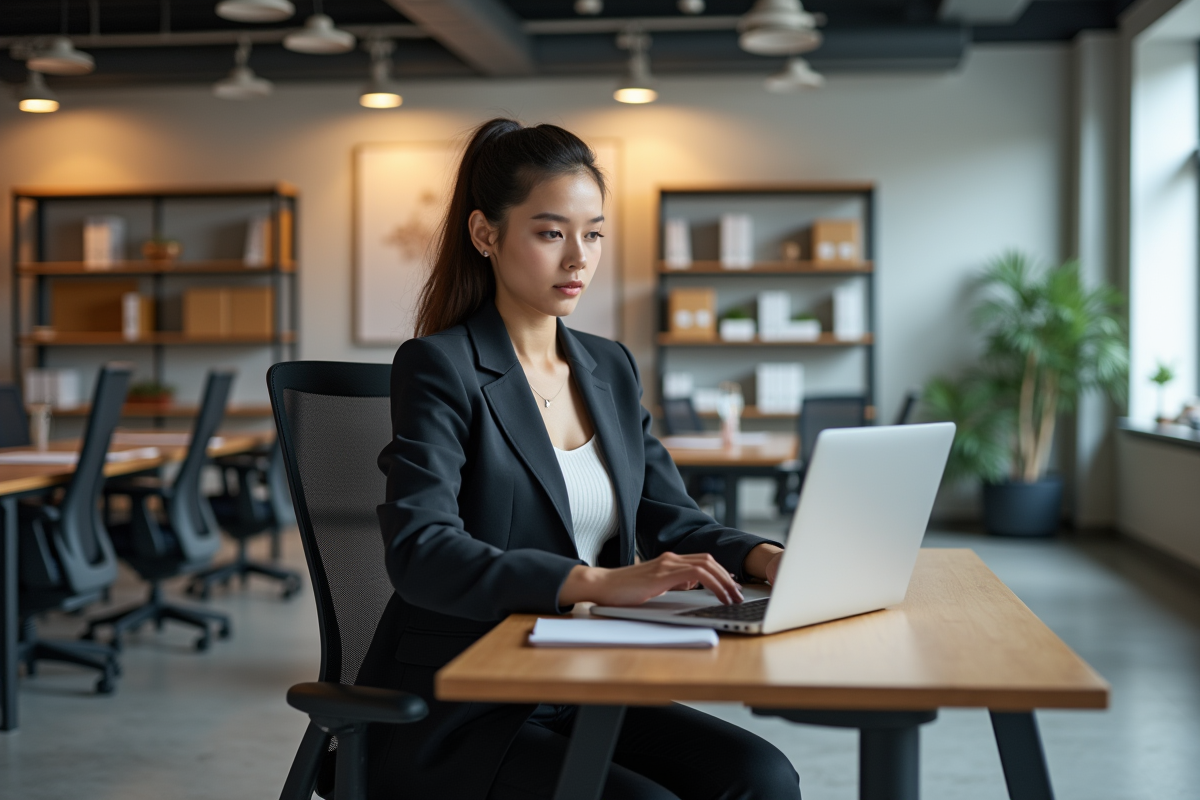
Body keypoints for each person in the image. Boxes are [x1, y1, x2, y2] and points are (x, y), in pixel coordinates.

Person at [358, 118, 802, 800]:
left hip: (584, 676)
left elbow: (670, 517)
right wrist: (595, 582)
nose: (579, 259)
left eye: (593, 233)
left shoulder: (609, 367)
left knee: (762, 778)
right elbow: (422, 551)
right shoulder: (439, 367)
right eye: (549, 232)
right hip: (468, 703)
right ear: (486, 234)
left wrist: (767, 558)